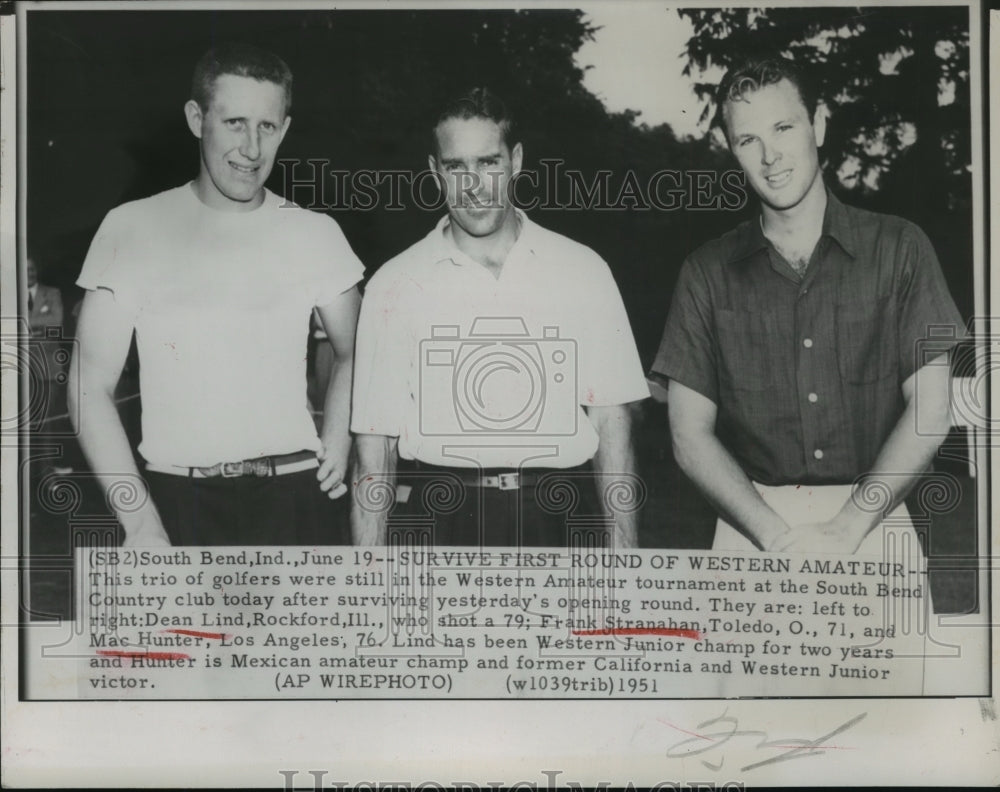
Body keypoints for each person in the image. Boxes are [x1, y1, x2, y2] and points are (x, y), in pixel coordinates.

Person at [653, 53, 963, 558]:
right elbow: (689, 436)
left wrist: (847, 528)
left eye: (783, 127)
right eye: (748, 139)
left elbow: (931, 410)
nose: (770, 155)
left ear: (817, 124)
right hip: (750, 529)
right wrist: (776, 537)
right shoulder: (705, 272)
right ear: (731, 150)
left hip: (876, 523)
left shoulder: (900, 247)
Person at [69, 43, 364, 547]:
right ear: (195, 118)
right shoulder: (133, 227)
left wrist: (339, 430)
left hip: (295, 499)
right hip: (175, 503)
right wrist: (139, 521)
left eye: (266, 127)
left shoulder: (315, 233)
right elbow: (87, 386)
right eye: (234, 123)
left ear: (284, 129)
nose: (251, 148)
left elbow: (358, 347)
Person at [351, 87, 649, 547]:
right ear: (435, 173)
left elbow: (614, 426)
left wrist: (625, 561)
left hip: (560, 516)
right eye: (456, 167)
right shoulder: (394, 284)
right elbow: (374, 452)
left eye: (488, 163)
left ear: (517, 161)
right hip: (439, 518)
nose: (473, 186)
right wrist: (367, 583)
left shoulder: (583, 270)